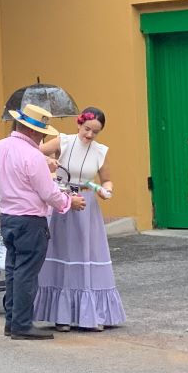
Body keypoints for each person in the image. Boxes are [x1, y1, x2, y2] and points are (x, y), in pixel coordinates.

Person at [0, 104, 85, 341]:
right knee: (26, 273)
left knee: (12, 269)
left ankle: (12, 321)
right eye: (42, 133)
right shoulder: (33, 156)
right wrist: (68, 201)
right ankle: (21, 324)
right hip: (30, 219)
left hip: (7, 216)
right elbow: (48, 193)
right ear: (32, 131)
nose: (42, 137)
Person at [33, 107, 125, 331]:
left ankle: (92, 314)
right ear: (79, 124)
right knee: (63, 252)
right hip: (62, 199)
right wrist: (49, 163)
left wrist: (106, 190)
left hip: (87, 204)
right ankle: (61, 316)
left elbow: (107, 180)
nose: (90, 135)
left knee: (88, 253)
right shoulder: (63, 141)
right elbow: (33, 154)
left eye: (95, 132)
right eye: (87, 129)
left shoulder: (101, 151)